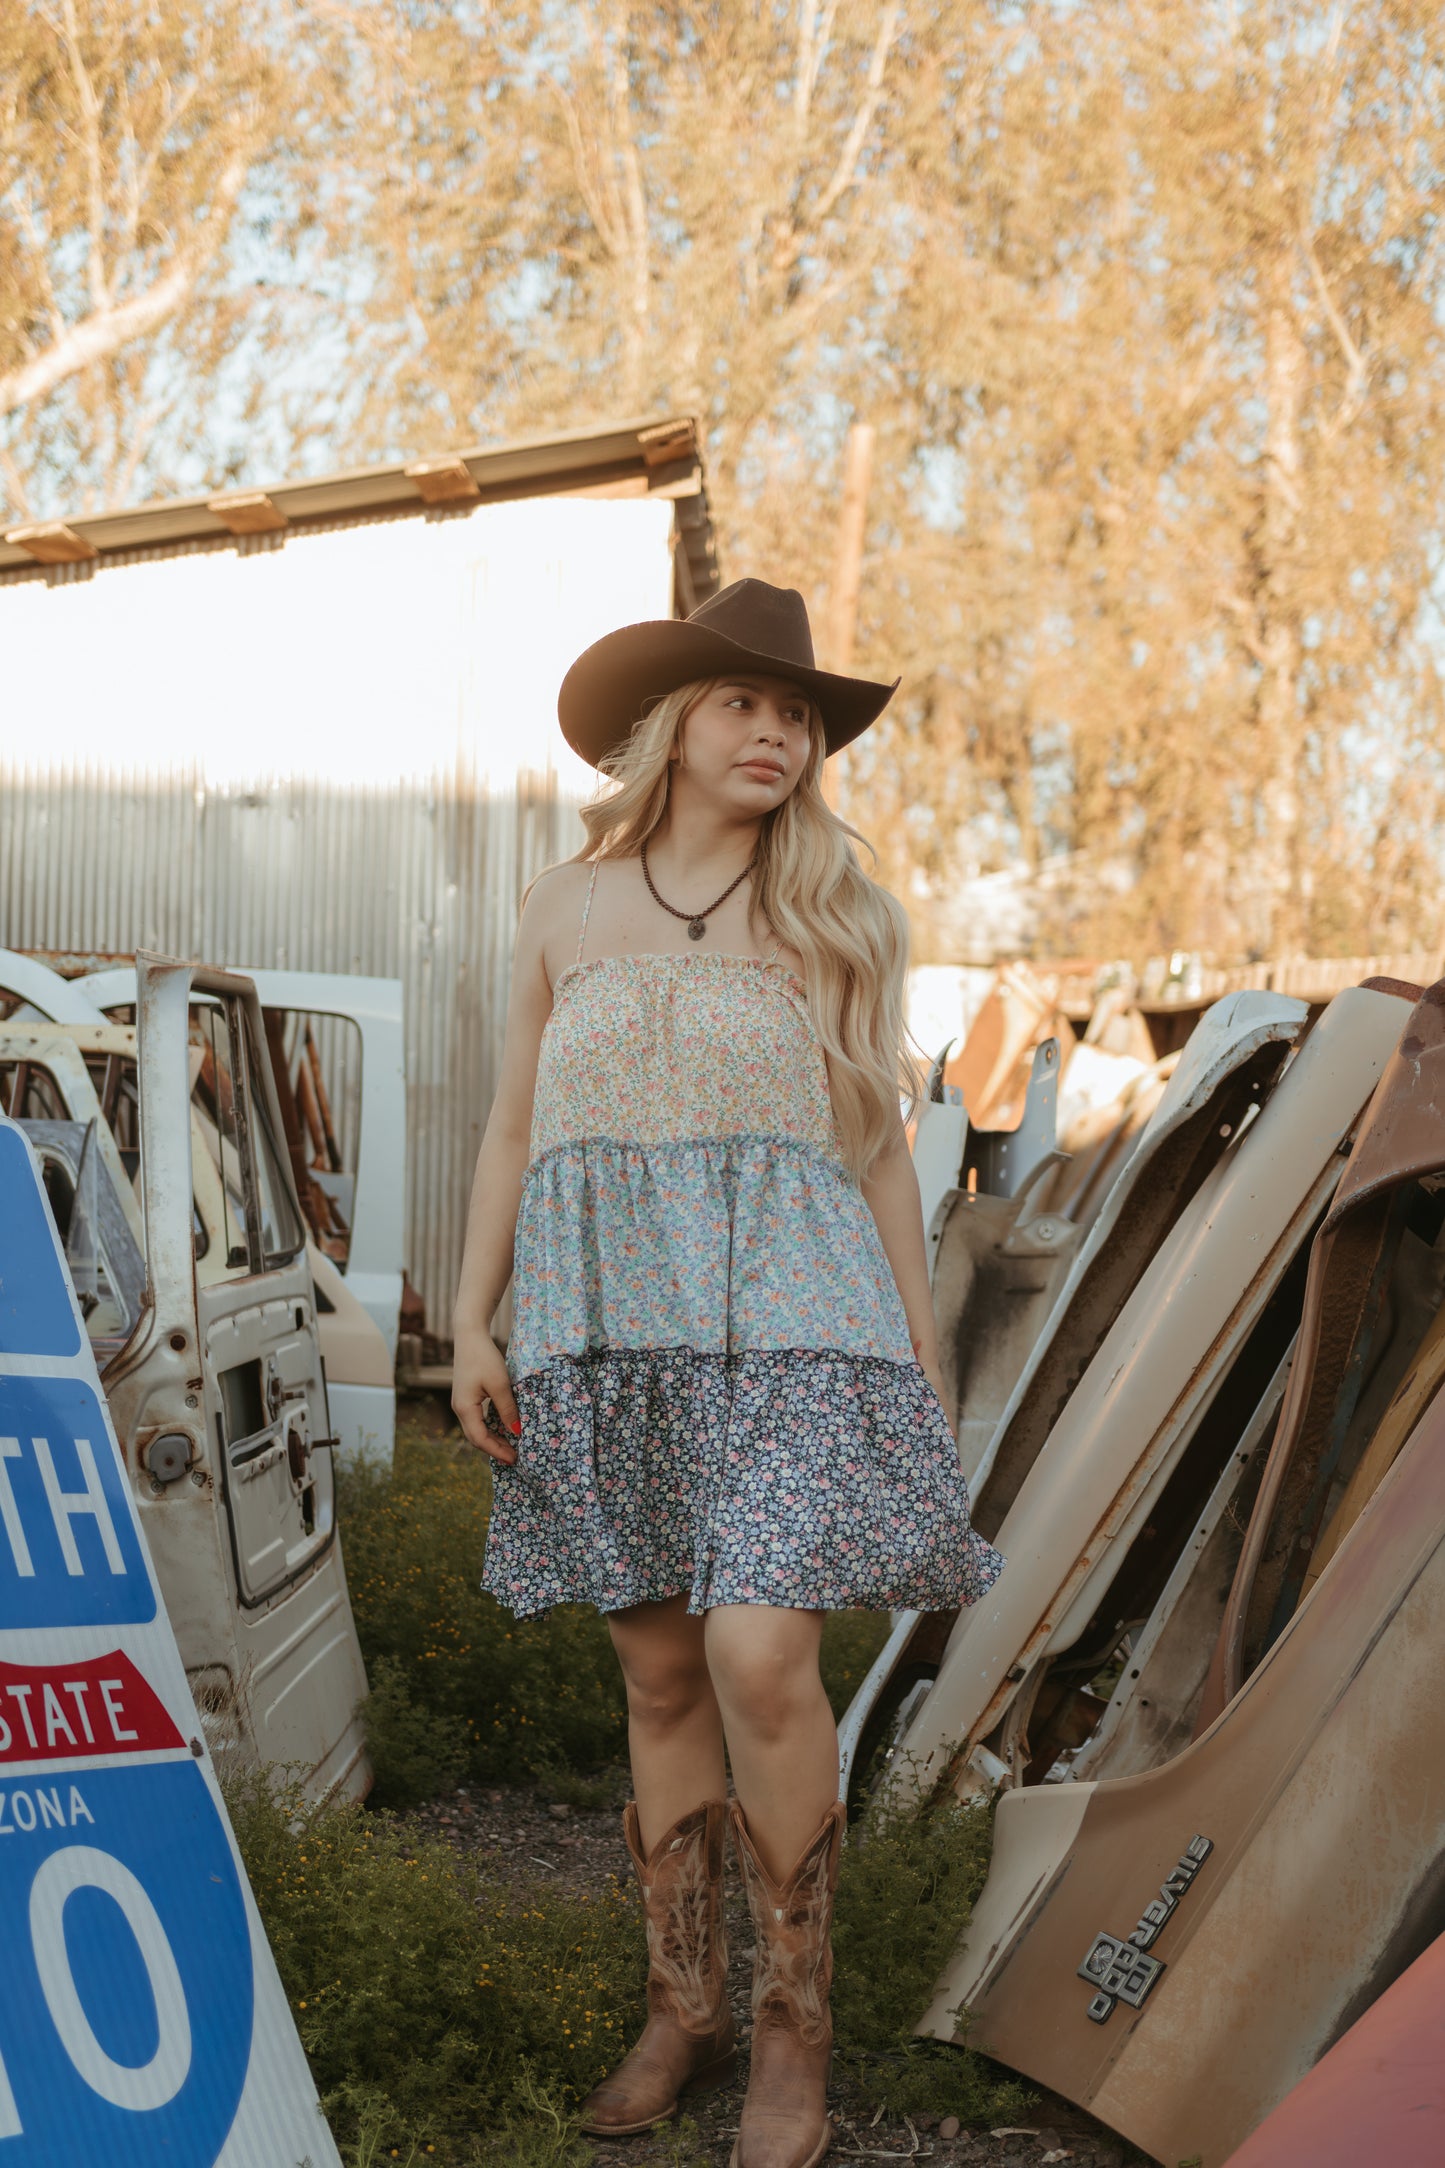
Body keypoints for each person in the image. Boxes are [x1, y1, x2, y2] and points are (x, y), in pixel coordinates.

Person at [451, 577, 1004, 2168]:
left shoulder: (837, 911)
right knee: (658, 1671)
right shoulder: (563, 905)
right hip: (606, 1321)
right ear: (673, 727)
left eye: (799, 716)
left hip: (796, 1324)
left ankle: (789, 2028)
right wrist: (477, 1324)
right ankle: (684, 2001)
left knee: (760, 1654)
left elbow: (882, 1151)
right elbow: (509, 1128)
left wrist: (914, 1350)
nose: (777, 734)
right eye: (746, 705)